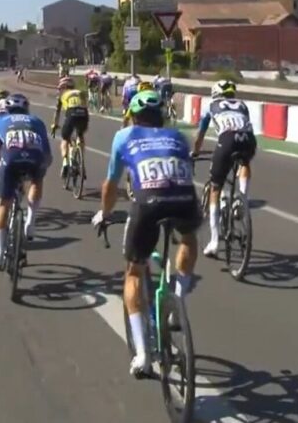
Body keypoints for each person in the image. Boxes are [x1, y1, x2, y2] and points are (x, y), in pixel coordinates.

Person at [91, 90, 201, 376]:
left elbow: (111, 184)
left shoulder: (123, 136)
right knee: (188, 238)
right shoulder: (178, 137)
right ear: (161, 116)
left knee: (134, 272)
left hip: (149, 204)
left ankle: (142, 354)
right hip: (184, 199)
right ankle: (178, 298)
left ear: (132, 116)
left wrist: (104, 214)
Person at [0, 94, 52, 270]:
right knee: (37, 181)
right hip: (35, 158)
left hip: (10, 161)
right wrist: (41, 171)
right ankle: (31, 221)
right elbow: (47, 155)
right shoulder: (37, 121)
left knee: (4, 205)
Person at [191, 80, 257, 257]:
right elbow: (243, 125)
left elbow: (200, 134)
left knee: (215, 187)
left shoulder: (210, 105)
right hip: (249, 139)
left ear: (215, 93)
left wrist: (195, 152)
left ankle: (214, 241)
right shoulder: (242, 105)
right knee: (244, 162)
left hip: (227, 140)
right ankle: (242, 198)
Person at [51, 76, 89, 179]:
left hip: (71, 113)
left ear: (64, 87)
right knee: (80, 135)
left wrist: (54, 125)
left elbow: (57, 112)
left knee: (65, 139)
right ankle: (82, 164)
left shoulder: (62, 95)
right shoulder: (80, 92)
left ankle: (65, 162)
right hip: (84, 114)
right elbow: (85, 105)